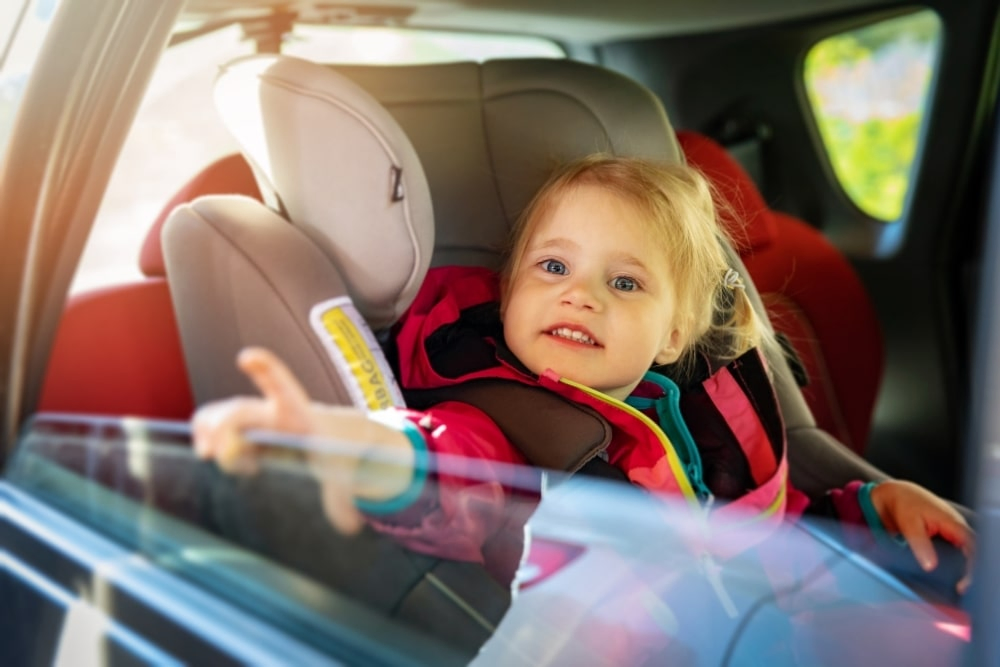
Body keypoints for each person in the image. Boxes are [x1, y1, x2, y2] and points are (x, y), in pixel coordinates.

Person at [192, 154, 973, 595]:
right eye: (554, 265)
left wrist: (873, 508)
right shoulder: (502, 419)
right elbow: (452, 475)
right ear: (508, 294)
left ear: (672, 335)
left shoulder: (699, 415)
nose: (580, 293)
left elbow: (779, 527)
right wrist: (350, 444)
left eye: (624, 282)